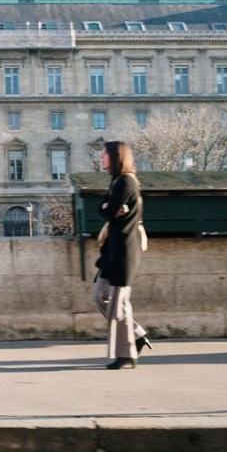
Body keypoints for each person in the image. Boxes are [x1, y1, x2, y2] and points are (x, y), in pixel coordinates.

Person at [92, 141, 152, 369]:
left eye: (104, 154)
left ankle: (126, 354)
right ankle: (137, 335)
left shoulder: (126, 182)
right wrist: (110, 208)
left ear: (116, 157)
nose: (101, 158)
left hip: (124, 251)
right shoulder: (116, 181)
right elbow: (103, 209)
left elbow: (107, 212)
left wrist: (110, 209)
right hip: (112, 251)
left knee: (119, 304)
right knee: (99, 294)